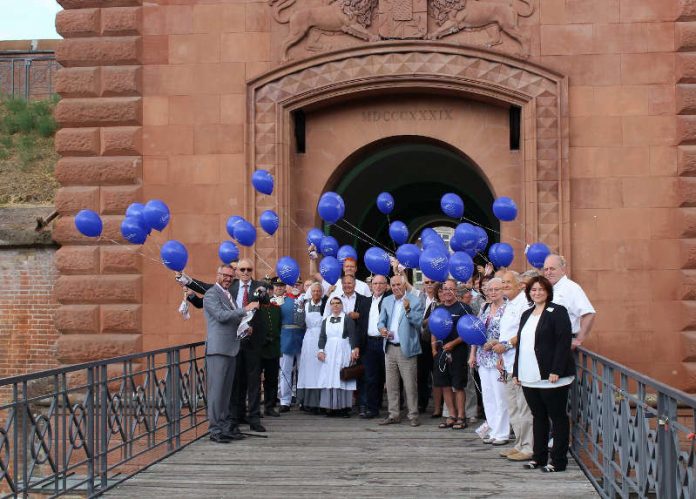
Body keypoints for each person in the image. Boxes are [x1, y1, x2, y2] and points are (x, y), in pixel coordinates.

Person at [513, 275, 575, 473]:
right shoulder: (526, 314)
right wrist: (516, 371)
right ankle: (538, 457)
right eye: (533, 290)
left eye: (540, 289)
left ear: (548, 291)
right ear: (528, 293)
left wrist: (556, 369)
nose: (537, 293)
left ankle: (558, 461)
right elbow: (521, 346)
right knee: (538, 416)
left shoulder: (557, 311)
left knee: (557, 418)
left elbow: (563, 342)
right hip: (529, 375)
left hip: (552, 377)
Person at [203, 264, 259, 443]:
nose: (228, 279)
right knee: (217, 393)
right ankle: (215, 430)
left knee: (226, 393)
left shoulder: (228, 295)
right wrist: (245, 309)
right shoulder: (211, 294)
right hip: (218, 349)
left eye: (230, 276)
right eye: (225, 275)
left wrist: (245, 327)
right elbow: (220, 316)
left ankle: (226, 427)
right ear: (217, 275)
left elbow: (233, 319)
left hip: (230, 348)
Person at [493, 271, 533, 461]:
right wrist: (500, 351)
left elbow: (524, 332)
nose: (505, 285)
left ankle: (528, 447)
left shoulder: (524, 303)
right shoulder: (509, 304)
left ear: (520, 285)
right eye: (503, 282)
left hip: (521, 364)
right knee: (513, 407)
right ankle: (519, 443)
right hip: (508, 362)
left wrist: (506, 345)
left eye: (509, 282)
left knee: (523, 408)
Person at [377, 274, 425, 427]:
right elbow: (381, 321)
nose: (396, 288)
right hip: (390, 347)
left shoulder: (415, 300)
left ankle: (413, 415)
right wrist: (382, 329)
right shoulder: (386, 300)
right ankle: (393, 414)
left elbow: (418, 323)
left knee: (410, 385)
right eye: (393, 285)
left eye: (399, 285)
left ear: (404, 285)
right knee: (391, 385)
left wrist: (408, 309)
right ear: (390, 286)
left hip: (407, 349)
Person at [228, 259, 268, 433]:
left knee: (253, 382)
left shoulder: (259, 286)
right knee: (236, 382)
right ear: (237, 271)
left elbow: (265, 298)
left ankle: (254, 418)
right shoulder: (231, 287)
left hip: (253, 342)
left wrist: (262, 293)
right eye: (242, 269)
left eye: (248, 269)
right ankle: (235, 417)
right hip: (235, 340)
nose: (245, 272)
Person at [470, 277, 510, 445]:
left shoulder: (508, 308)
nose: (493, 292)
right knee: (488, 395)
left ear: (503, 290)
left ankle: (503, 433)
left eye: (496, 289)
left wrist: (496, 344)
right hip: (483, 357)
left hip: (499, 358)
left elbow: (510, 334)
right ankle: (493, 429)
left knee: (501, 396)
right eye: (490, 290)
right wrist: (472, 354)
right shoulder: (484, 307)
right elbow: (475, 331)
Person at [431, 279, 472, 430]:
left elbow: (468, 331)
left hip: (458, 351)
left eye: (451, 289)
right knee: (445, 385)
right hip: (441, 352)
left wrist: (453, 344)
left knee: (458, 385)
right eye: (445, 289)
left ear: (456, 291)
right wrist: (434, 350)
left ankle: (461, 416)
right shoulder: (438, 309)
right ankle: (451, 415)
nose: (447, 292)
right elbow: (434, 330)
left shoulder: (464, 308)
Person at [317, 297, 360, 417]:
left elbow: (352, 335)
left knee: (342, 377)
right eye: (333, 304)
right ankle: (331, 407)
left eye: (338, 303)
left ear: (341, 305)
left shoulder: (347, 319)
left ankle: (344, 408)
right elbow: (322, 337)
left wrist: (353, 349)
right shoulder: (326, 320)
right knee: (330, 378)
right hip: (329, 351)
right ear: (330, 306)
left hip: (343, 349)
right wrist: (320, 350)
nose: (335, 306)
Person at [543, 254, 596, 348]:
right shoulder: (548, 289)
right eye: (546, 269)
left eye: (552, 269)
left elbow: (589, 314)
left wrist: (578, 340)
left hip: (563, 343)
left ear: (563, 270)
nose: (548, 272)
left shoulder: (571, 288)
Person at [358, 273, 390, 419]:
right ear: (371, 286)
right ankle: (372, 408)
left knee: (389, 377)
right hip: (369, 344)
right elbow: (360, 325)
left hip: (385, 343)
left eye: (380, 283)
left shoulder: (390, 300)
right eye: (375, 283)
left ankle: (394, 408)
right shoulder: (364, 302)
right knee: (371, 378)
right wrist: (358, 345)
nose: (377, 286)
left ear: (386, 285)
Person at [296, 282, 325, 413]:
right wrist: (300, 310)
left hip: (322, 339)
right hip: (308, 340)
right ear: (310, 292)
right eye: (314, 291)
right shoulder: (305, 305)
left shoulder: (325, 305)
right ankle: (306, 401)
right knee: (308, 370)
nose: (316, 293)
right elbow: (299, 323)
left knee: (320, 370)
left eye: (319, 291)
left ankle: (321, 402)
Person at [278, 278, 306, 412]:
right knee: (285, 371)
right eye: (293, 284)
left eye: (298, 284)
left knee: (303, 370)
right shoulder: (281, 300)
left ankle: (303, 400)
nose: (296, 286)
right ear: (287, 286)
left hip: (303, 338)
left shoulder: (307, 299)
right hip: (286, 337)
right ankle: (285, 400)